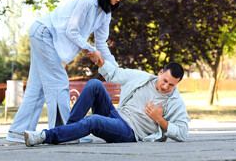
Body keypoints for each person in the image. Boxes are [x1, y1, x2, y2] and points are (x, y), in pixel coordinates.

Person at [6, 0, 130, 143]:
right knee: (58, 81)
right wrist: (90, 49)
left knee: (38, 87)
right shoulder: (88, 1)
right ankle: (66, 132)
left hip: (46, 36)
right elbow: (72, 30)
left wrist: (117, 70)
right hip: (43, 32)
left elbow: (102, 45)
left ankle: (17, 131)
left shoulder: (105, 14)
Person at [23, 54, 188, 146]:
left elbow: (182, 133)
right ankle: (70, 133)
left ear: (177, 84)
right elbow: (116, 74)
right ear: (160, 72)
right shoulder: (143, 78)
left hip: (129, 132)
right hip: (116, 115)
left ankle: (45, 136)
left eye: (171, 85)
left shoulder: (175, 102)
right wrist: (100, 60)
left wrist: (160, 120)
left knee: (93, 121)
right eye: (165, 80)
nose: (166, 86)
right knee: (95, 84)